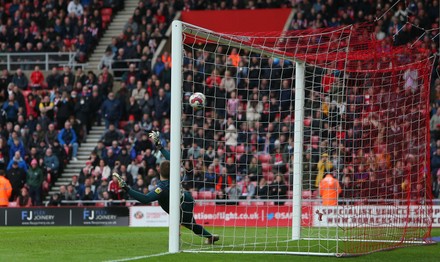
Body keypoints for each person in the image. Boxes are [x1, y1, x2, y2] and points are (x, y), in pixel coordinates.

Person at [112, 131, 219, 244]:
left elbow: (145, 199)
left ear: (158, 170)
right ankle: (209, 236)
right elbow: (173, 160)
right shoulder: (176, 175)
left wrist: (126, 188)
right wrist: (160, 147)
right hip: (188, 200)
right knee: (191, 224)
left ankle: (176, 233)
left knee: (185, 221)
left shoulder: (161, 188)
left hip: (179, 207)